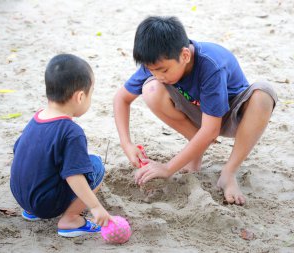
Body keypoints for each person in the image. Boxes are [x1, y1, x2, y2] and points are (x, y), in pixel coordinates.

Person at [113, 16, 278, 205]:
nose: (158, 76)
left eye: (163, 70)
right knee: (151, 90)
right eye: (152, 71)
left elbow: (211, 130)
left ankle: (229, 172)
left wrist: (168, 168)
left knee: (264, 93)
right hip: (199, 114)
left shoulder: (211, 65)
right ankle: (195, 150)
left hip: (232, 116)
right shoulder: (157, 61)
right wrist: (126, 144)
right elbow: (121, 99)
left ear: (185, 55)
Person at [10, 54, 113, 237]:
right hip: (45, 203)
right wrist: (96, 207)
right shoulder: (71, 131)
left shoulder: (37, 117)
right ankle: (71, 219)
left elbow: (19, 150)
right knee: (95, 165)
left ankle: (32, 211)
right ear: (80, 97)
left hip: (21, 197)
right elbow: (74, 175)